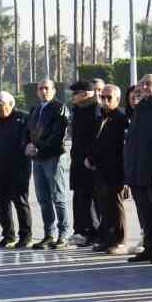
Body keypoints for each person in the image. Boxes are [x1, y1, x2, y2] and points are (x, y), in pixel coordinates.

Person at [124, 75, 152, 263]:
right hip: (137, 169)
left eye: (148, 84)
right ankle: (149, 248)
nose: (144, 87)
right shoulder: (141, 106)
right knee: (145, 214)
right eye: (142, 84)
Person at [24, 79, 70, 249]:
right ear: (37, 91)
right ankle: (48, 234)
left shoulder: (60, 108)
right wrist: (27, 145)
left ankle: (63, 234)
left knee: (58, 197)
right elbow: (28, 132)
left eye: (47, 88)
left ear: (54, 90)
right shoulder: (35, 109)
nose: (43, 91)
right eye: (40, 88)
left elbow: (58, 136)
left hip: (54, 158)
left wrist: (38, 147)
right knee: (43, 198)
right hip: (38, 159)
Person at [0, 91, 31, 248]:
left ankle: (25, 236)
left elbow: (29, 140)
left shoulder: (22, 118)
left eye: (0, 105)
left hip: (17, 169)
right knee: (0, 204)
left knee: (20, 202)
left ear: (11, 104)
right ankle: (8, 235)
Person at [88, 83, 128, 254]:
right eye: (102, 97)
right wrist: (90, 159)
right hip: (99, 169)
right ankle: (106, 238)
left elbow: (122, 147)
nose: (104, 100)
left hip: (115, 169)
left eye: (108, 97)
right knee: (103, 206)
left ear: (117, 99)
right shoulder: (100, 117)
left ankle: (119, 240)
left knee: (115, 206)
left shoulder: (121, 118)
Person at [67, 80, 103, 245]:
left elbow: (96, 137)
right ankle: (81, 231)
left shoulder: (96, 110)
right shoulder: (78, 109)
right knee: (80, 196)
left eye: (75, 93)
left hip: (90, 162)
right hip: (78, 160)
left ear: (85, 94)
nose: (72, 97)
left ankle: (94, 232)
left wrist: (92, 158)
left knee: (91, 198)